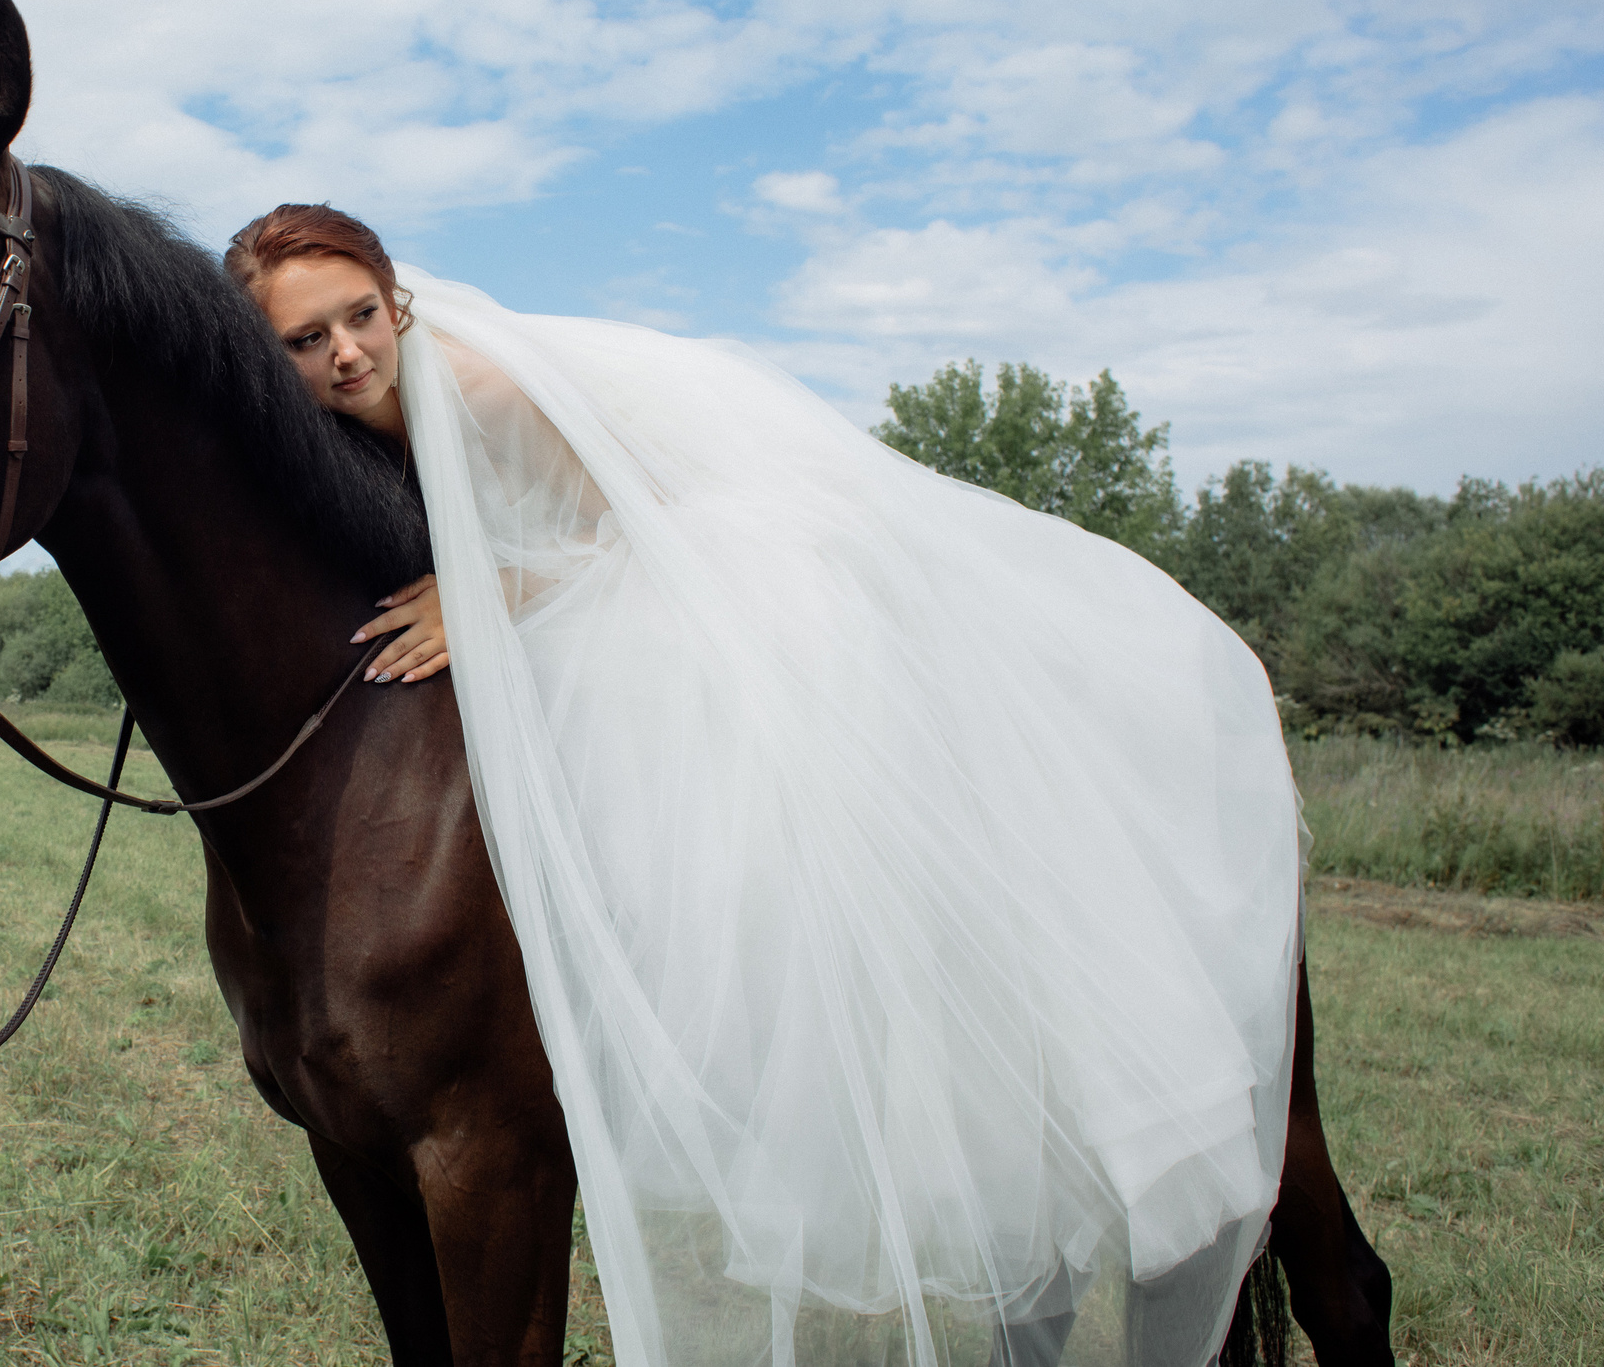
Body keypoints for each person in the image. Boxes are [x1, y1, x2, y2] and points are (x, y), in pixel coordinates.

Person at [225, 203, 1305, 1367]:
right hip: (595, 562)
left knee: (699, 779)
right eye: (305, 340)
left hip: (710, 556)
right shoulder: (331, 424)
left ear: (396, 300)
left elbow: (632, 517)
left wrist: (485, 591)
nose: (346, 353)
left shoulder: (478, 386)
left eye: (360, 316)